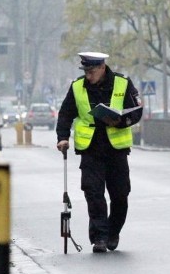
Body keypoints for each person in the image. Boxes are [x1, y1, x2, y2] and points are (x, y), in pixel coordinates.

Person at [56, 51, 142, 253]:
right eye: (85, 71)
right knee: (93, 194)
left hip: (116, 151)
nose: (88, 75)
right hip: (91, 150)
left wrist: (120, 121)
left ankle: (113, 232)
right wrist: (62, 137)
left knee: (121, 195)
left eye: (91, 71)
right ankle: (100, 238)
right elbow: (65, 114)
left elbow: (136, 111)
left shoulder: (123, 83)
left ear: (102, 67)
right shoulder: (77, 87)